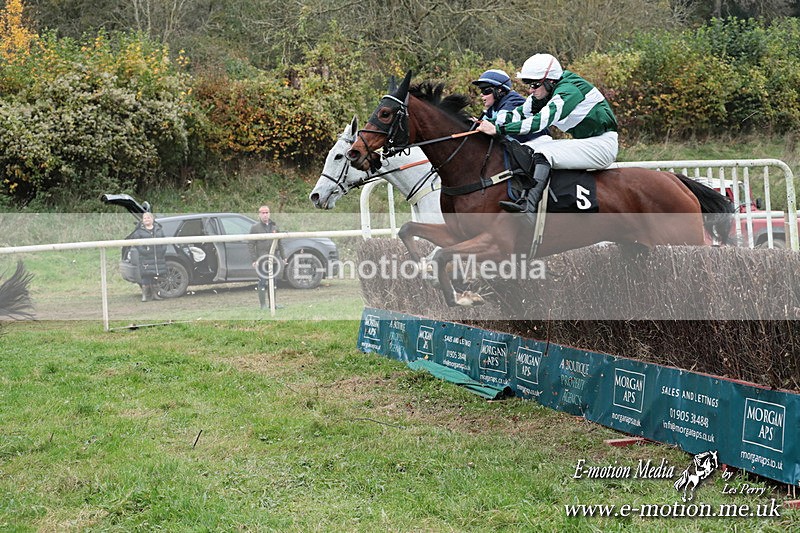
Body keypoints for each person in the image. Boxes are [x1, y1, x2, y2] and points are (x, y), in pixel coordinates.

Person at [475, 53, 618, 214]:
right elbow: (518, 114)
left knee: (543, 152)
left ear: (550, 81)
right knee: (529, 149)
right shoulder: (546, 91)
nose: (530, 90)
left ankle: (529, 208)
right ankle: (522, 196)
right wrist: (486, 124)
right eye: (528, 84)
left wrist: (499, 130)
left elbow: (538, 122)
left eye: (534, 85)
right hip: (587, 142)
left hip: (602, 146)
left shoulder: (568, 91)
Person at [471, 68, 548, 144]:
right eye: (480, 90)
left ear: (499, 90)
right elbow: (483, 122)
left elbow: (499, 124)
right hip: (519, 145)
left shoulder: (512, 102)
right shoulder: (494, 106)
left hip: (538, 143)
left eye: (485, 90)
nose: (481, 94)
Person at [248, 205, 282, 310]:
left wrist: (284, 257)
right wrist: (254, 259)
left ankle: (273, 304)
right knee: (262, 281)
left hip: (274, 259)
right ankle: (263, 305)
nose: (265, 215)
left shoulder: (274, 227)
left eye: (267, 212)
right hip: (262, 259)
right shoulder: (255, 228)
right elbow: (250, 244)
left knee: (274, 281)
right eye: (263, 213)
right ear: (259, 214)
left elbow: (280, 243)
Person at [128, 211, 167, 302]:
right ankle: (145, 296)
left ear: (152, 219)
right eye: (145, 218)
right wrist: (144, 251)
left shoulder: (159, 229)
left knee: (155, 276)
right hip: (145, 257)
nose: (147, 220)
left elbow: (164, 241)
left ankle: (155, 295)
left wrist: (162, 250)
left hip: (157, 256)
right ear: (142, 220)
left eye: (148, 218)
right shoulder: (139, 231)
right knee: (146, 276)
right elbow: (137, 244)